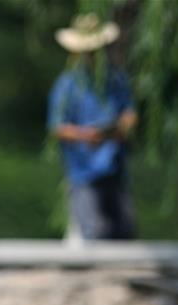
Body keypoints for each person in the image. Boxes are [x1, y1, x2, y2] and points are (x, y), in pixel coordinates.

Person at [48, 13, 138, 241]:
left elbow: (129, 112)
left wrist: (121, 127)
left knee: (124, 231)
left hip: (114, 167)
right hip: (84, 171)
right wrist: (86, 135)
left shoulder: (116, 80)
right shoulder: (68, 85)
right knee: (94, 231)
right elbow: (57, 127)